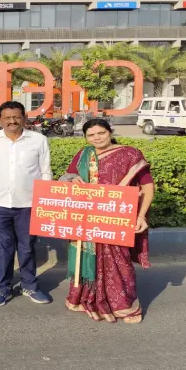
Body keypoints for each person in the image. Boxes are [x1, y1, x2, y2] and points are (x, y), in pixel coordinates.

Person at [59, 119, 154, 324]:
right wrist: (72, 180)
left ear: (110, 132)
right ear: (86, 138)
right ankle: (85, 299)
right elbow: (66, 178)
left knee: (120, 261)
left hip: (118, 217)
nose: (97, 138)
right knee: (86, 258)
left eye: (101, 133)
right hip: (88, 218)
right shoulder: (84, 155)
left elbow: (147, 186)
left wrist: (141, 216)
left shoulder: (130, 154)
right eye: (91, 135)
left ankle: (124, 305)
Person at [0, 101, 53, 307]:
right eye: (7, 117)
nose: (12, 121)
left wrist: (44, 199)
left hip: (28, 203)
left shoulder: (38, 140)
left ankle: (29, 285)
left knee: (27, 247)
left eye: (16, 117)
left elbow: (45, 171)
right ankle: (2, 288)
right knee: (3, 248)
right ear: (0, 120)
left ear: (24, 118)